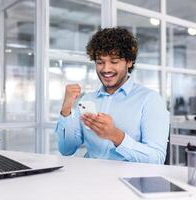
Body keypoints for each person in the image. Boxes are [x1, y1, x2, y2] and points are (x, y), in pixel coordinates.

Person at [54, 27, 169, 164]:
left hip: (127, 182)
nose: (106, 69)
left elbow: (157, 159)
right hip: (88, 180)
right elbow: (66, 150)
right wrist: (66, 109)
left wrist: (115, 135)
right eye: (100, 62)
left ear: (129, 62)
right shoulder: (88, 99)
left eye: (114, 61)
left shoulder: (150, 100)